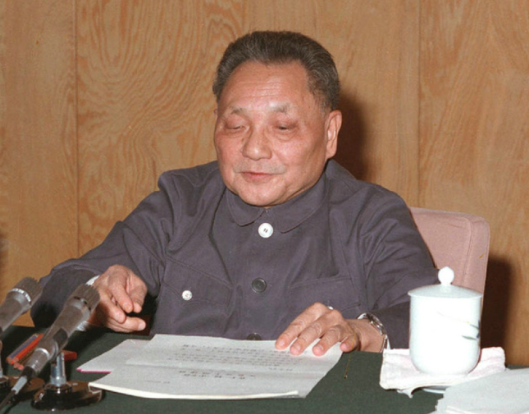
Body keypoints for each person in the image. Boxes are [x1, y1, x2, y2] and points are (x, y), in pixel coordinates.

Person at [31, 31, 437, 356]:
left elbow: (433, 320)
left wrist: (363, 331)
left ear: (330, 133)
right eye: (235, 126)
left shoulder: (371, 215)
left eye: (282, 127)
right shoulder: (180, 202)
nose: (254, 149)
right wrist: (97, 290)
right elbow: (53, 289)